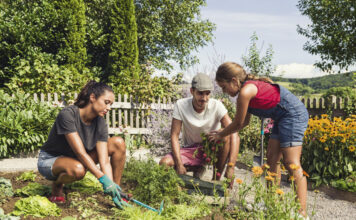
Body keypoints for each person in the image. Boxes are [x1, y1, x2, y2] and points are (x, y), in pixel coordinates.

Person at [208, 62, 309, 217]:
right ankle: (270, 203)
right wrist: (224, 131)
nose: (224, 91)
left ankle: (301, 213)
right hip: (281, 117)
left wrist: (221, 134)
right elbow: (244, 122)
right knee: (272, 159)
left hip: (293, 115)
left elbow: (238, 123)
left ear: (234, 81)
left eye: (223, 87)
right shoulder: (245, 91)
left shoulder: (246, 91)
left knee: (292, 163)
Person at [37, 80, 127, 208]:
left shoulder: (100, 123)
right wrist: (102, 178)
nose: (109, 108)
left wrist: (111, 183)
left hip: (76, 159)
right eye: (106, 102)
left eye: (111, 104)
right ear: (92, 97)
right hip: (51, 160)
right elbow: (80, 152)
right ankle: (57, 185)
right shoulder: (68, 114)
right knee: (78, 170)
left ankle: (118, 192)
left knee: (118, 142)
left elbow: (104, 161)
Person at [159, 73, 240, 184]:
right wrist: (179, 164)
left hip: (212, 150)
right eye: (200, 94)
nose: (204, 98)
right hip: (192, 150)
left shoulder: (217, 105)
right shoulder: (181, 105)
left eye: (207, 94)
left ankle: (215, 180)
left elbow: (234, 132)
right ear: (192, 91)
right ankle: (196, 168)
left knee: (225, 135)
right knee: (164, 163)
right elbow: (174, 135)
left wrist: (231, 166)